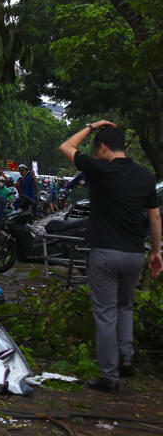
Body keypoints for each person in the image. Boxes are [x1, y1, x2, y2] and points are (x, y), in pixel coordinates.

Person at [58, 121, 162, 393]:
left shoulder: (100, 168)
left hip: (105, 253)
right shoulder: (145, 176)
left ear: (102, 148)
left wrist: (91, 127)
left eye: (97, 149)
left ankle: (109, 376)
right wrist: (156, 250)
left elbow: (66, 147)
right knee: (125, 306)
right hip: (134, 255)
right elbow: (154, 216)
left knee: (105, 314)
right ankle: (126, 357)